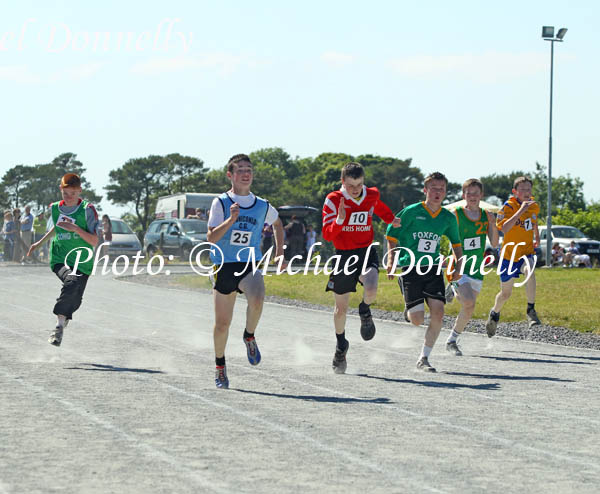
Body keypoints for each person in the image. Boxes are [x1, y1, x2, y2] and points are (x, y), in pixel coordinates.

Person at [207, 154, 285, 389]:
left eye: (248, 169)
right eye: (240, 170)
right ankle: (220, 366)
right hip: (223, 266)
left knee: (258, 297)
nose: (245, 173)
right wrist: (231, 220)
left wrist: (279, 252)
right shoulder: (220, 203)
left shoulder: (262, 205)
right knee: (222, 324)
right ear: (230, 175)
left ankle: (249, 335)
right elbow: (211, 238)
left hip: (249, 263)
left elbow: (278, 224)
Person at [321, 162, 401, 374]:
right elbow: (327, 235)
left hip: (366, 251)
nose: (355, 189)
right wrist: (339, 219)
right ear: (342, 182)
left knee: (372, 287)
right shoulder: (333, 200)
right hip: (344, 255)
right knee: (340, 309)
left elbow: (380, 208)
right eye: (350, 185)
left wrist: (392, 219)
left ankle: (365, 310)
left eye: (359, 184)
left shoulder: (371, 195)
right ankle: (341, 345)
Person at [385, 172, 464, 372]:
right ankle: (406, 293)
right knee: (417, 320)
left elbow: (456, 244)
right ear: (425, 190)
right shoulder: (411, 212)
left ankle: (424, 358)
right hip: (410, 268)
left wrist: (459, 266)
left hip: (433, 268)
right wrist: (392, 260)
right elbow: (391, 235)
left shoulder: (447, 217)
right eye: (434, 189)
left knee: (438, 313)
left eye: (442, 189)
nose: (438, 193)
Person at [27, 173, 99, 346]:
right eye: (65, 193)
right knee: (71, 281)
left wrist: (75, 229)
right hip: (60, 257)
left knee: (76, 300)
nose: (69, 197)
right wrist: (38, 243)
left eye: (73, 193)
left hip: (82, 261)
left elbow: (94, 241)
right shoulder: (55, 208)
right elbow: (57, 228)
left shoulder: (88, 210)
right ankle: (58, 328)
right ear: (61, 189)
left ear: (80, 191)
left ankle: (65, 316)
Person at [443, 179, 499, 356]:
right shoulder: (456, 214)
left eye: (476, 193)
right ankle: (452, 286)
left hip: (476, 269)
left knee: (468, 308)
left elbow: (495, 242)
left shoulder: (486, 216)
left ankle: (452, 339)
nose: (473, 197)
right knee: (469, 301)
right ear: (463, 195)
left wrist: (492, 223)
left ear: (481, 195)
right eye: (469, 193)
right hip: (458, 267)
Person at [485, 176, 541, 336]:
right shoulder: (508, 207)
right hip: (509, 256)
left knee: (530, 269)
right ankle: (494, 313)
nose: (526, 192)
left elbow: (533, 221)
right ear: (515, 192)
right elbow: (505, 228)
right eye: (522, 189)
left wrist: (536, 236)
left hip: (526, 252)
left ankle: (531, 309)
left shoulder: (534, 206)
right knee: (505, 294)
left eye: (528, 189)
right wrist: (521, 210)